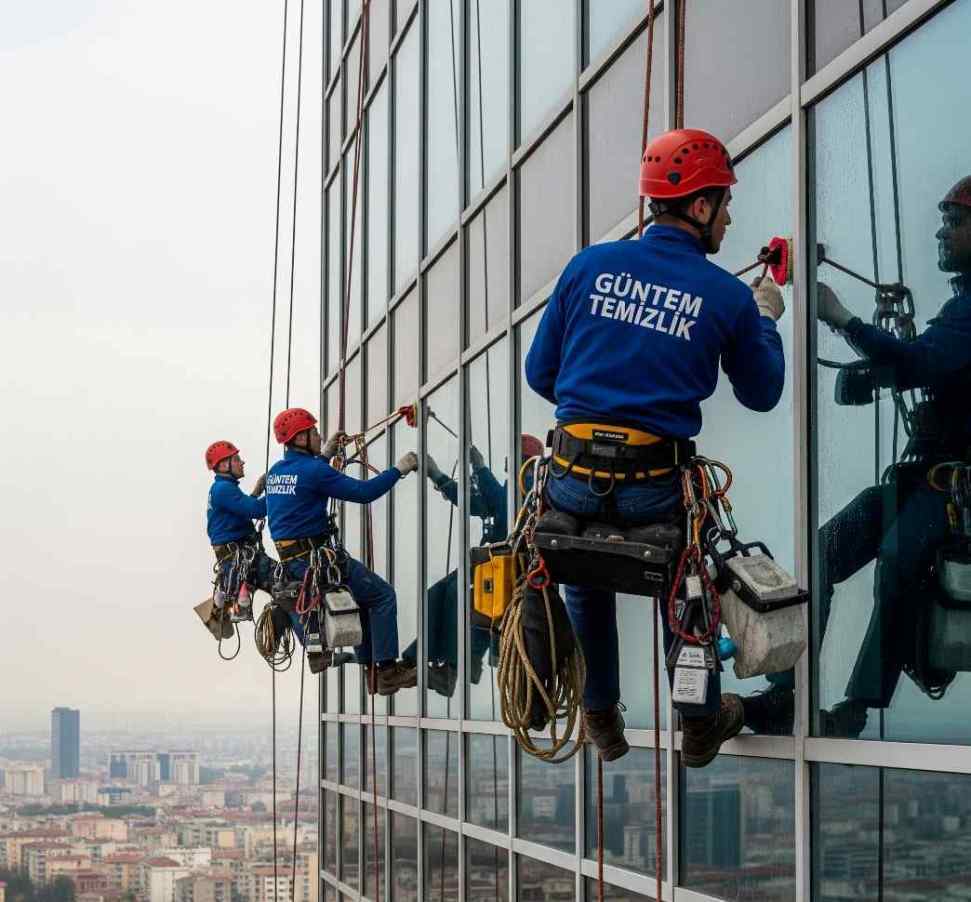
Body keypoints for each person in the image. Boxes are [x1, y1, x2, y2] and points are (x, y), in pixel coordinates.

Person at [524, 127, 787, 766]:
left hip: (571, 473)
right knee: (687, 582)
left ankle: (598, 714)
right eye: (723, 203)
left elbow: (540, 374)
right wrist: (767, 317)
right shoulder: (727, 294)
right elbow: (762, 392)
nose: (728, 216)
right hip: (653, 482)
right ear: (699, 207)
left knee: (584, 566)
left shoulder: (589, 266)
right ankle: (699, 723)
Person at [744, 176, 971, 737]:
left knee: (897, 560)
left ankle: (858, 706)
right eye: (943, 219)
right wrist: (870, 368)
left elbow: (925, 361)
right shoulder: (961, 304)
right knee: (824, 550)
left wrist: (843, 319)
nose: (942, 232)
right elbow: (929, 365)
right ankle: (787, 691)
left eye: (954, 221)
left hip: (952, 489)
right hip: (923, 481)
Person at [264, 406, 420, 692]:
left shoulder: (276, 473)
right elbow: (364, 493)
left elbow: (306, 479)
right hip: (317, 560)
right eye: (313, 432)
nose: (319, 434)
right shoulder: (314, 471)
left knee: (359, 601)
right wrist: (400, 469)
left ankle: (371, 673)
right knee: (382, 596)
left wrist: (324, 453)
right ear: (300, 439)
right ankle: (385, 671)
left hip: (293, 563)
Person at [401, 434, 545, 696]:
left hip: (510, 566)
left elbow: (501, 505)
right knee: (437, 593)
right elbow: (475, 503)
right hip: (489, 562)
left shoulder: (528, 490)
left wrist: (479, 468)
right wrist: (438, 476)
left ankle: (456, 667)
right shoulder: (507, 489)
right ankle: (416, 659)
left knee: (463, 594)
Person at [205, 441, 275, 622]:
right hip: (240, 558)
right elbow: (256, 510)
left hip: (235, 558)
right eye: (236, 459)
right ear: (222, 465)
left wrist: (255, 493)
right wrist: (280, 492)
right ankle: (277, 622)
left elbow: (241, 511)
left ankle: (222, 602)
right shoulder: (223, 489)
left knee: (282, 585)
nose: (242, 462)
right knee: (286, 584)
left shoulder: (222, 488)